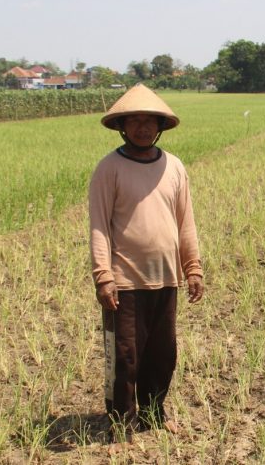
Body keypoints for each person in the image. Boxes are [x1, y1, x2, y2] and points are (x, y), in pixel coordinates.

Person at [89, 84, 204, 438]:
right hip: (125, 282)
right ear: (123, 127)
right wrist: (103, 276)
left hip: (166, 279)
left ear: (159, 126)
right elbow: (99, 225)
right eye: (134, 121)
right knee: (124, 356)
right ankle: (121, 421)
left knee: (162, 354)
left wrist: (193, 266)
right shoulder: (109, 169)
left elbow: (185, 221)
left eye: (148, 121)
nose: (142, 128)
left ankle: (154, 413)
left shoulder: (174, 167)